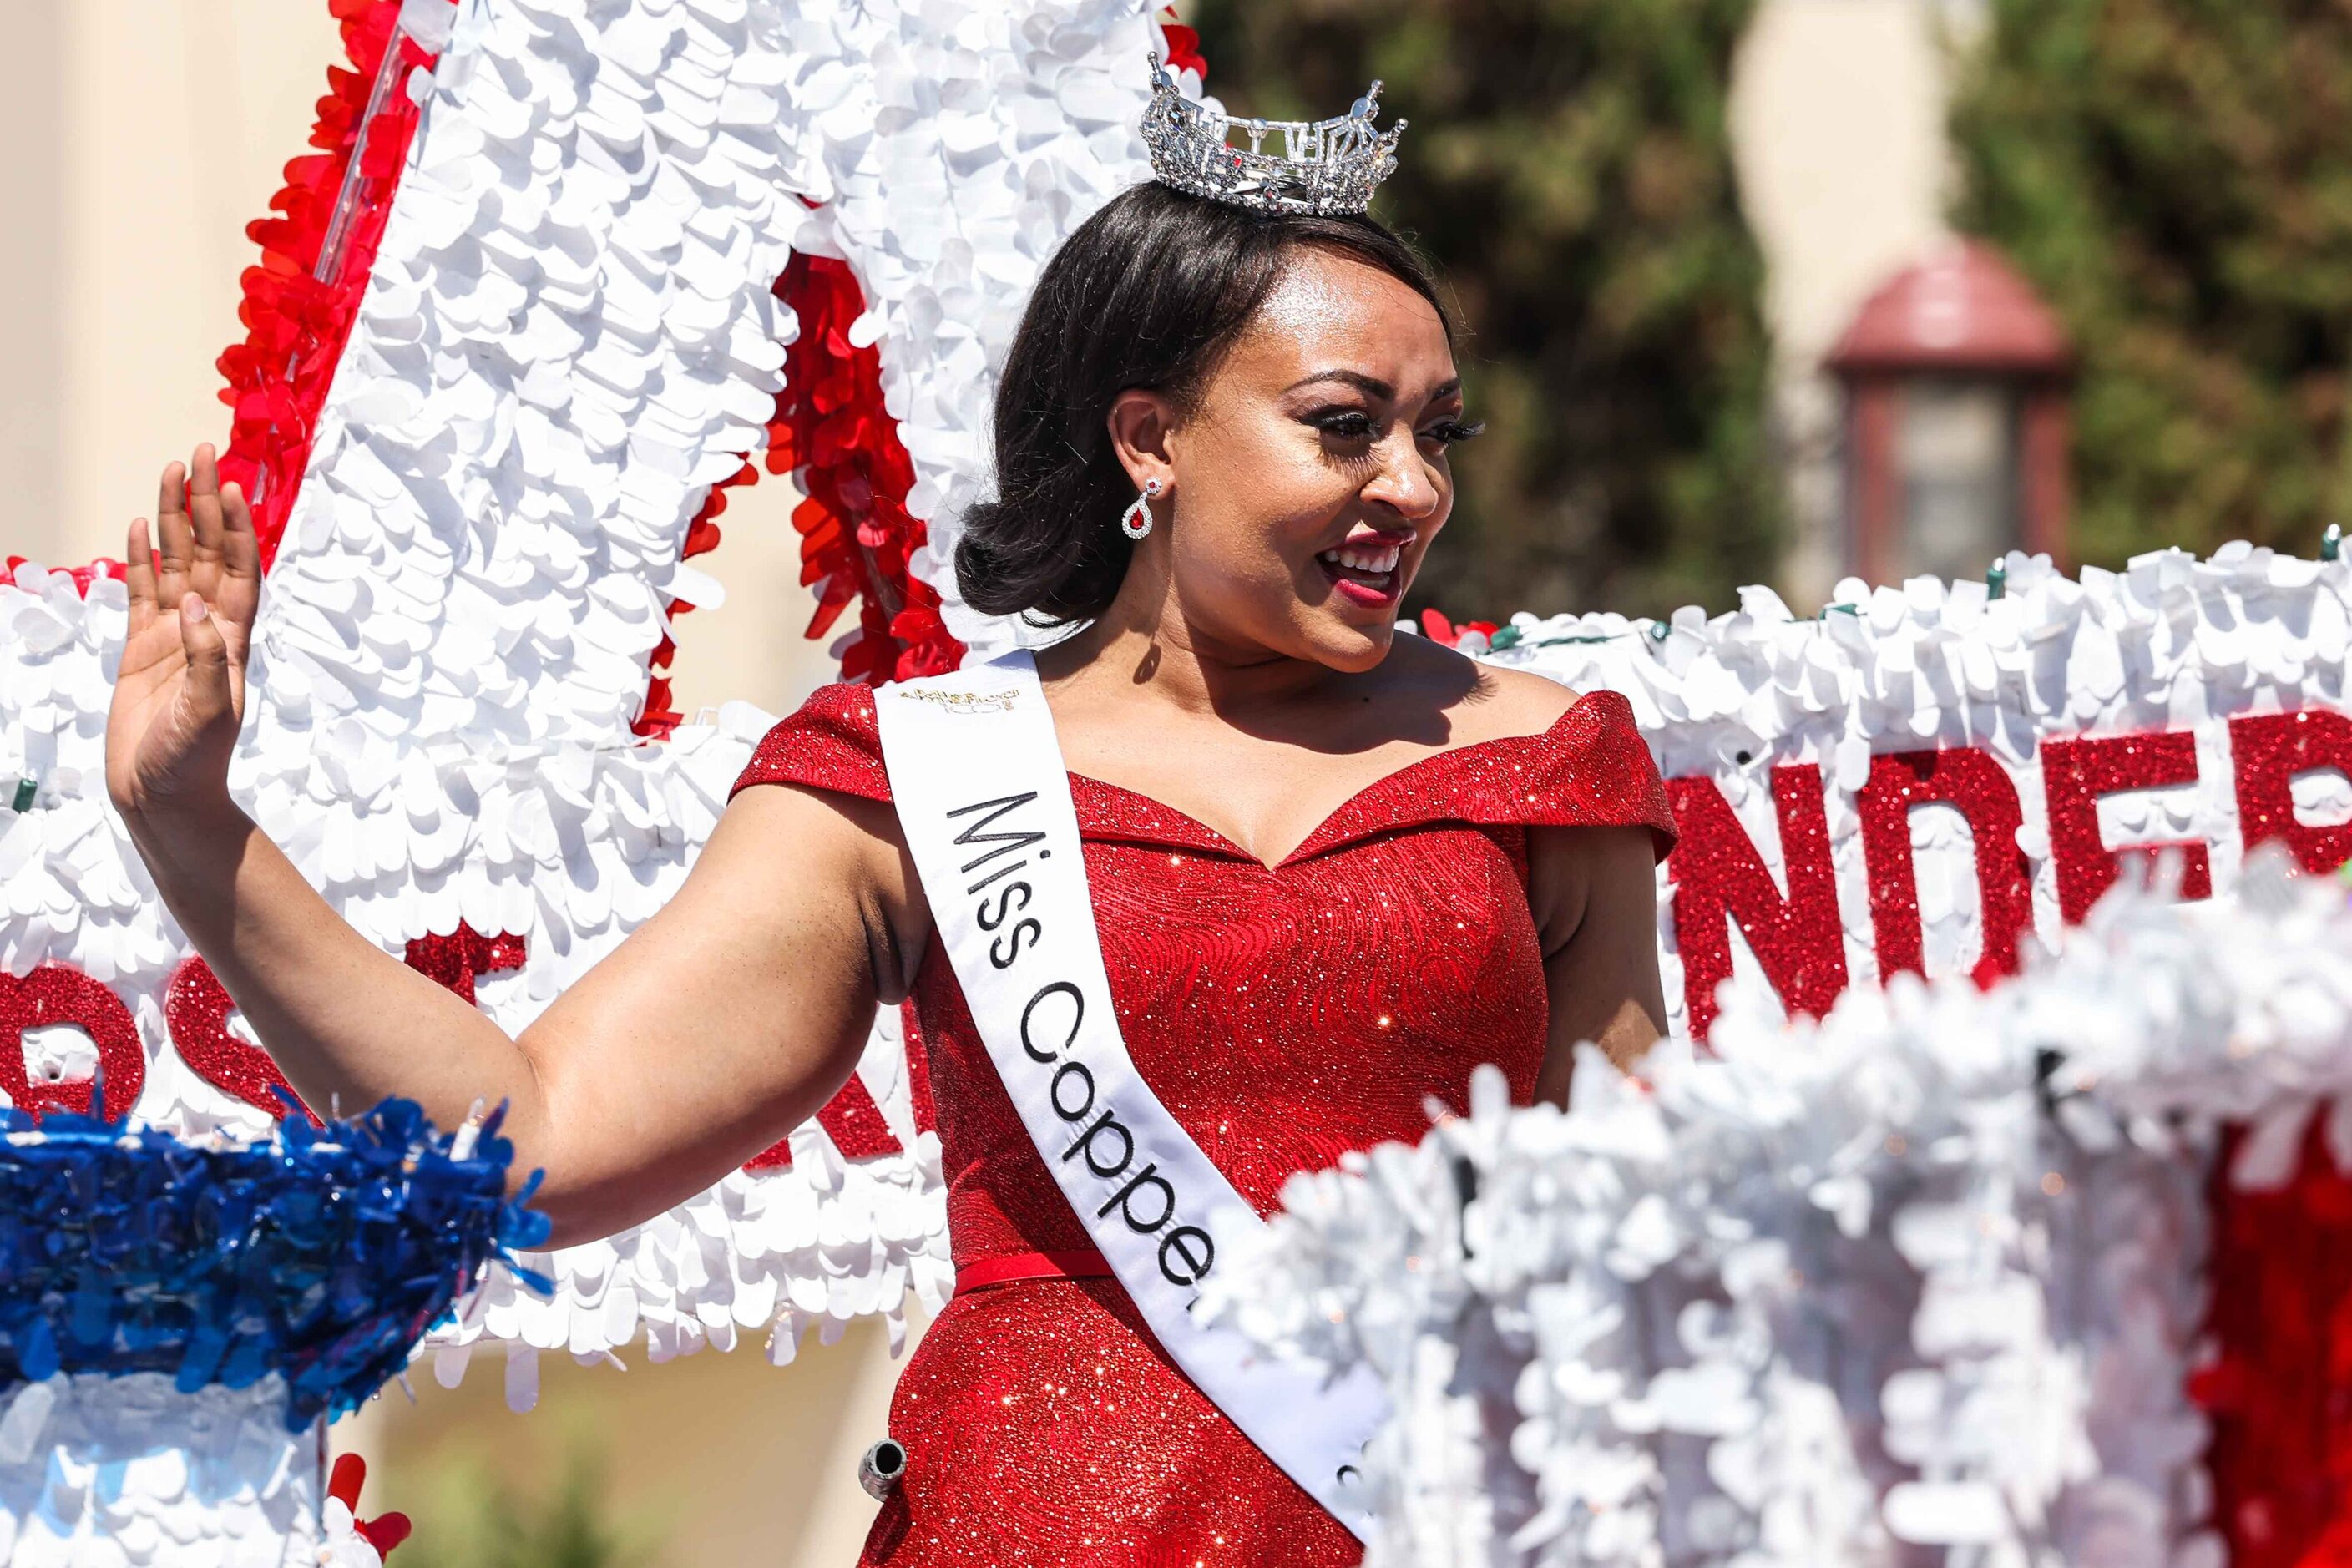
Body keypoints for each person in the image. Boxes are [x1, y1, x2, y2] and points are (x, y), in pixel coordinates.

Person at [107, 74, 1672, 1567]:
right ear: (1151, 438)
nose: (1411, 487)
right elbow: (531, 1142)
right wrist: (194, 827)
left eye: (1435, 434)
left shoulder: (1538, 759)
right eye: (1346, 425)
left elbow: (1635, 1249)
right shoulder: (916, 777)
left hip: (1430, 1513)